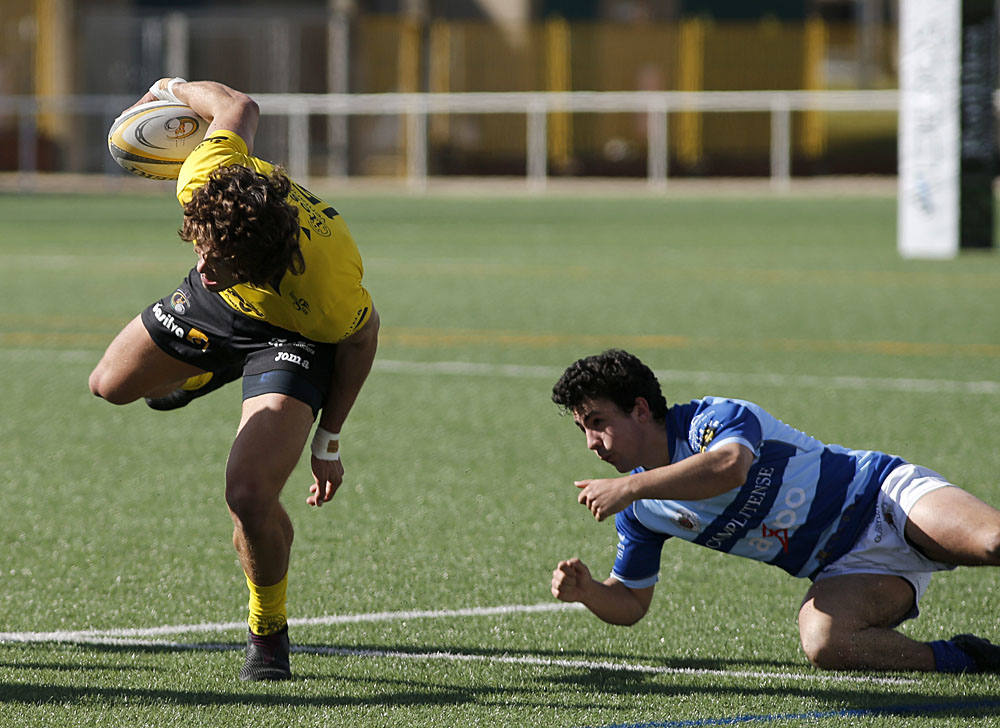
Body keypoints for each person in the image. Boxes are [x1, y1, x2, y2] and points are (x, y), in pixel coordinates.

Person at [89, 78, 380, 681]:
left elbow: (362, 337)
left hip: (292, 335)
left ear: (268, 262)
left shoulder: (326, 289)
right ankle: (212, 367)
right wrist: (169, 86)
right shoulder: (208, 180)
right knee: (110, 384)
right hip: (223, 309)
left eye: (220, 262)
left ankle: (267, 630)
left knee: (248, 495)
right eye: (202, 250)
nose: (204, 267)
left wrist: (330, 440)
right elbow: (239, 105)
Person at [549, 349, 1000, 674]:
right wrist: (589, 591)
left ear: (640, 410)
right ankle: (971, 657)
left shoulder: (712, 419)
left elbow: (729, 468)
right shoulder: (641, 509)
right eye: (582, 429)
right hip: (844, 569)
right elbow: (630, 602)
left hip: (883, 498)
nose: (591, 442)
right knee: (825, 644)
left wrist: (630, 485)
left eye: (598, 422)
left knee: (993, 542)